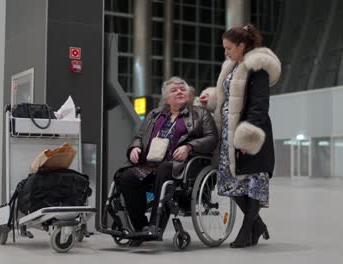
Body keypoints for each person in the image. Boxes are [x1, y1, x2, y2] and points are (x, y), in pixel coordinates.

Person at [199, 24, 281, 248]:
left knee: (252, 183)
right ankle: (257, 225)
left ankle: (246, 231)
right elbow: (228, 97)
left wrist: (248, 138)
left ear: (242, 46)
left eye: (228, 48)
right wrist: (212, 99)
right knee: (231, 185)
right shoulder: (231, 67)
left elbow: (259, 105)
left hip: (250, 134)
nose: (225, 52)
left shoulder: (257, 68)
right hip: (228, 134)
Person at [118, 76, 218, 240]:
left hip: (181, 166)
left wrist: (189, 147)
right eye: (174, 90)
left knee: (164, 169)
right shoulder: (154, 115)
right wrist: (135, 147)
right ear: (166, 98)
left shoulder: (200, 114)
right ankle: (140, 227)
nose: (179, 91)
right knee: (126, 176)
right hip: (149, 164)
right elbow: (139, 136)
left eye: (182, 89)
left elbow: (212, 138)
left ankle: (155, 226)